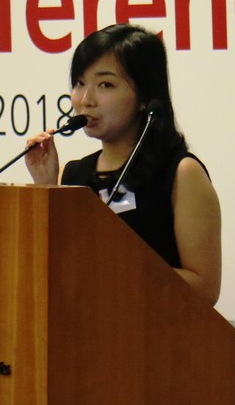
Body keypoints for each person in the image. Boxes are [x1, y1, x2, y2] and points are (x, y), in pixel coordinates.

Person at [25, 23, 222, 305]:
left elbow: (204, 289)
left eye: (105, 85)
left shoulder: (181, 173)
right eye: (79, 83)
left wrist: (115, 268)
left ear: (144, 97)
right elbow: (57, 270)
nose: (86, 100)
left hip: (154, 330)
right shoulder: (73, 174)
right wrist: (46, 188)